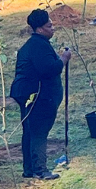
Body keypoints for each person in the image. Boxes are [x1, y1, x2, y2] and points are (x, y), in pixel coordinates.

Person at [10, 9, 69, 180]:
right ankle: (40, 170)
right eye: (49, 26)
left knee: (29, 131)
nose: (53, 28)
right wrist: (64, 59)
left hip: (25, 93)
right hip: (37, 96)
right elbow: (49, 69)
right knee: (38, 132)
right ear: (40, 29)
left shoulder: (33, 45)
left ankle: (29, 168)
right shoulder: (39, 46)